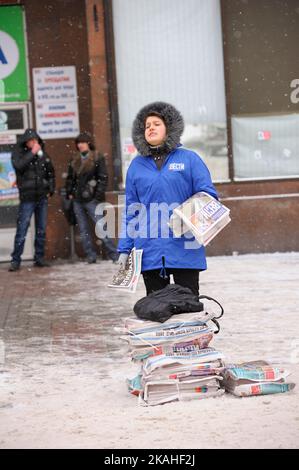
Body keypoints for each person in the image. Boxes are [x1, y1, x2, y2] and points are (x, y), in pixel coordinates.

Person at [117, 101, 218, 297]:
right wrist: (124, 249)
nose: (151, 128)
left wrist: (188, 217)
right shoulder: (136, 166)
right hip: (150, 249)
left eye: (156, 124)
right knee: (157, 312)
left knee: (188, 308)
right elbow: (131, 211)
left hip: (185, 245)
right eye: (147, 126)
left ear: (169, 128)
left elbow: (208, 196)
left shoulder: (189, 159)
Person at [65, 132, 118, 263]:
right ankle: (90, 255)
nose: (80, 145)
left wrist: (97, 195)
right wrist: (70, 192)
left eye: (83, 142)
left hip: (91, 199)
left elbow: (103, 177)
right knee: (83, 230)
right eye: (78, 143)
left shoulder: (97, 157)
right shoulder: (74, 159)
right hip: (77, 199)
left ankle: (114, 255)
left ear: (88, 143)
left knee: (101, 227)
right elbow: (70, 178)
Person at [9, 128, 55, 271]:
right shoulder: (19, 154)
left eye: (35, 140)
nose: (34, 143)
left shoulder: (43, 155)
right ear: (26, 142)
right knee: (22, 229)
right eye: (31, 141)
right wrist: (32, 153)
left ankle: (39, 258)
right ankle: (15, 260)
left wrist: (50, 190)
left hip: (42, 197)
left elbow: (51, 173)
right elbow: (18, 165)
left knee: (41, 229)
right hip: (27, 198)